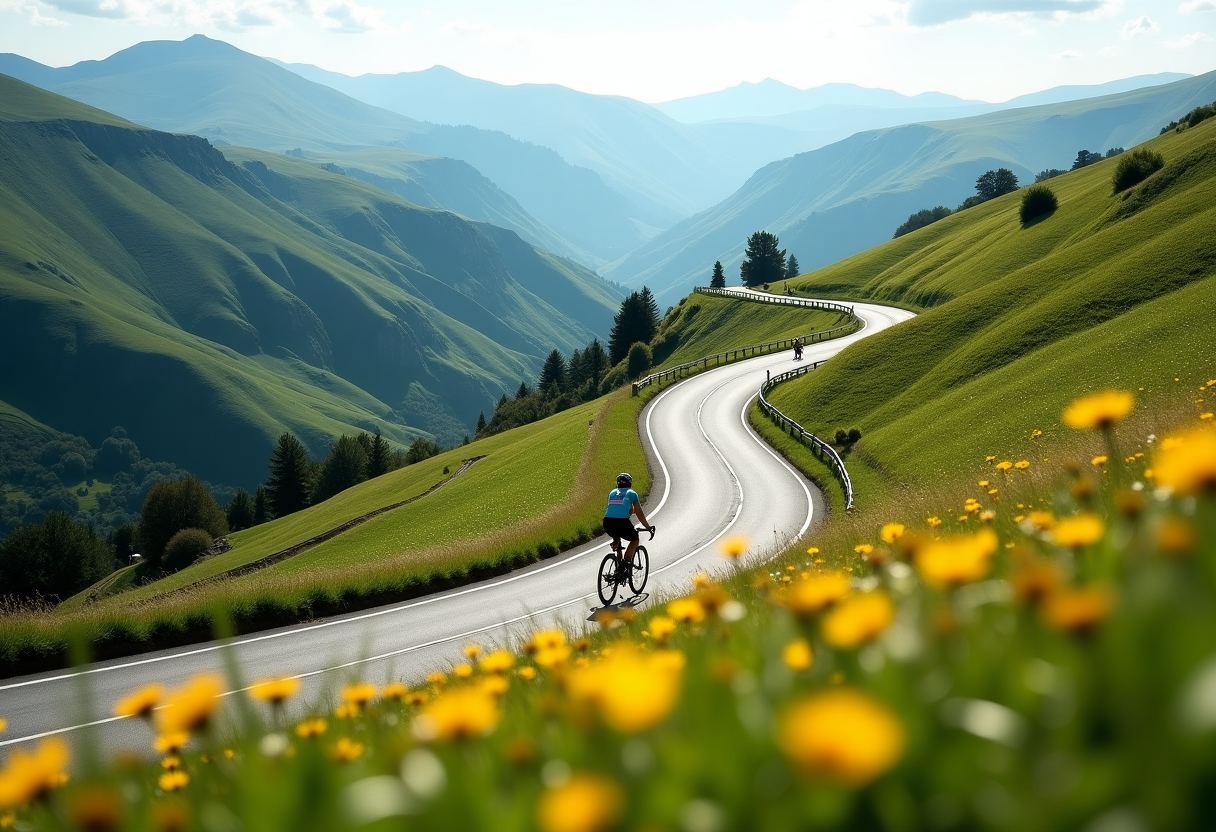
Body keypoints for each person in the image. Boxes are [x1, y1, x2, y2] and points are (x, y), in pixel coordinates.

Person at [603, 472, 653, 577]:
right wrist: (648, 527)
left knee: (616, 534)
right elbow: (639, 513)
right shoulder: (631, 493)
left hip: (607, 522)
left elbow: (620, 509)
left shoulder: (612, 492)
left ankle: (618, 565)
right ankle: (626, 563)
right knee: (635, 539)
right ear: (630, 483)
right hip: (621, 523)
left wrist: (629, 512)